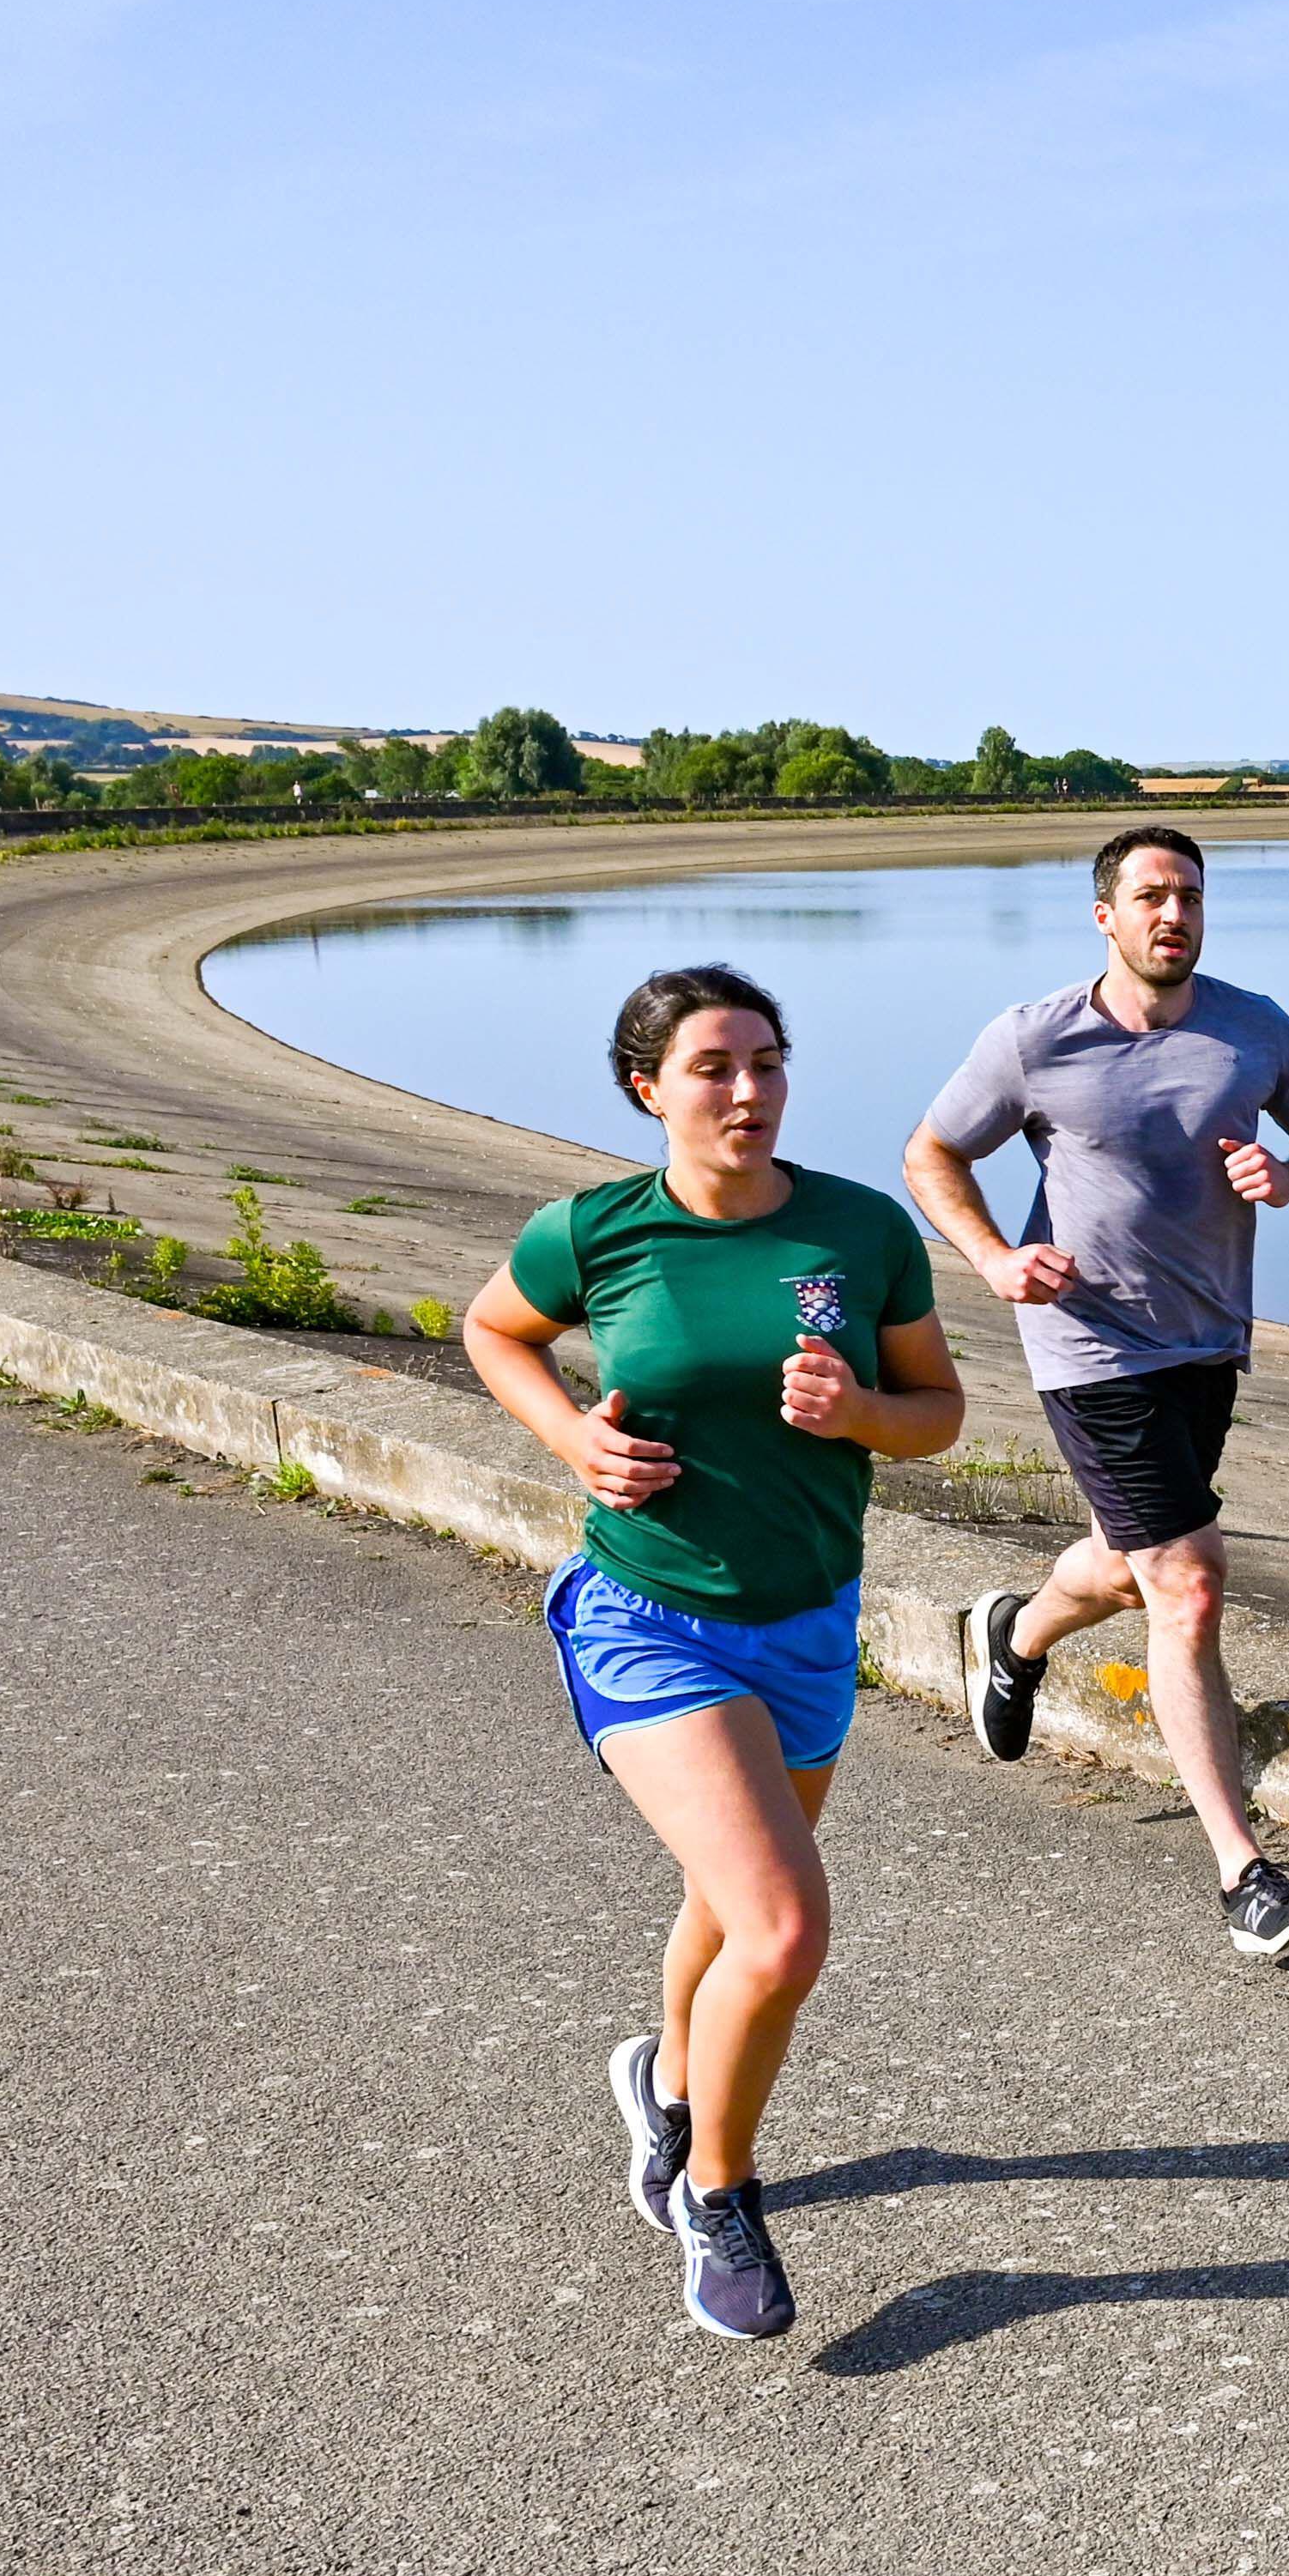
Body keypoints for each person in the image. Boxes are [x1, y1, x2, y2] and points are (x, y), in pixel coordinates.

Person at [461, 965, 965, 2343]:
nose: (748, 1091)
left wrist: (861, 1406)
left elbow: (939, 1416)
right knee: (786, 1923)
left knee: (728, 1898)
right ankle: (720, 2191)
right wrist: (572, 1437)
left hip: (807, 1621)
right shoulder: (597, 1230)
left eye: (767, 1062)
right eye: (712, 1068)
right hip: (645, 1616)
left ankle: (667, 2089)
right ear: (650, 1089)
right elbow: (493, 1331)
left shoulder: (859, 1232)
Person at [905, 822, 1289, 1959]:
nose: (1175, 915)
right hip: (1086, 1344)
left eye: (1192, 897)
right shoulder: (1034, 1040)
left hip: (1206, 1342)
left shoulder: (1253, 1031)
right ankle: (1244, 1876)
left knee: (1128, 1561)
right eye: (1153, 896)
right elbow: (931, 1155)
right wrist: (994, 1261)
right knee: (1189, 1578)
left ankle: (1015, 1635)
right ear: (1105, 914)